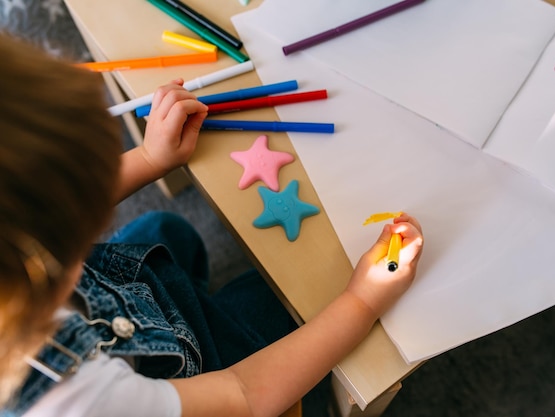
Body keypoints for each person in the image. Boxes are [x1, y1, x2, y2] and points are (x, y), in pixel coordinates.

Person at [0, 34, 424, 417]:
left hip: (125, 306)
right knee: (295, 305)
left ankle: (197, 303)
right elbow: (244, 394)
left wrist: (150, 159)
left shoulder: (19, 251)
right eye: (81, 224)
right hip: (201, 381)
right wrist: (361, 302)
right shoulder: (85, 402)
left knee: (167, 232)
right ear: (35, 265)